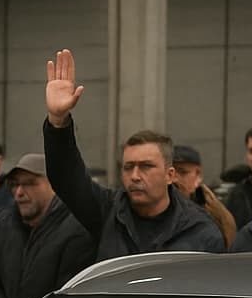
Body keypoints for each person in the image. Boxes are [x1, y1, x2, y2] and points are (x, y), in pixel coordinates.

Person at [42, 49, 224, 257]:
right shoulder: (108, 211)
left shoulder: (200, 231)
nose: (135, 176)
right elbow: (67, 178)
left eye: (146, 166)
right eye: (128, 167)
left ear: (170, 175)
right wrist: (58, 121)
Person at [0, 153, 94, 298]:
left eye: (30, 184)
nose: (19, 193)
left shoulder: (75, 232)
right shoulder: (3, 227)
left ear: (55, 185)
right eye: (15, 185)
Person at [172, 144, 236, 248]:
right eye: (171, 172)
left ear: (198, 175)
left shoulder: (215, 212)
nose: (174, 179)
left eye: (183, 172)